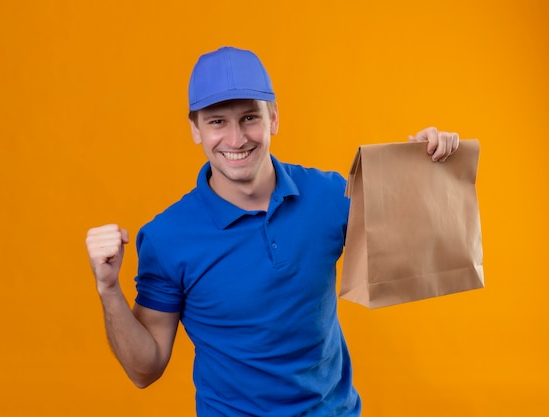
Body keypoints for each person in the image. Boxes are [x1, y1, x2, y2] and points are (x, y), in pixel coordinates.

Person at [85, 46, 459, 416]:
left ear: (274, 119)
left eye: (250, 118)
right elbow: (144, 370)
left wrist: (427, 166)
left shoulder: (330, 196)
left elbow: (419, 249)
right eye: (217, 122)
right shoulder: (168, 237)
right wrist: (109, 289)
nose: (236, 140)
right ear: (195, 129)